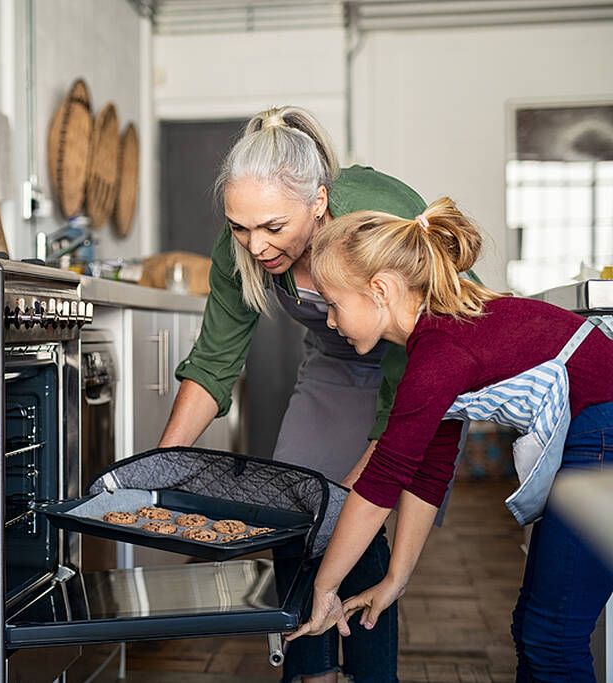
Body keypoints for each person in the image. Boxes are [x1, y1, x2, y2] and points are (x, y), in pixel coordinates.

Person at [159, 105, 433, 682]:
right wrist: (160, 467)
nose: (255, 245)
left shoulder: (371, 213)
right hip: (336, 364)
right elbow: (214, 361)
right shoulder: (241, 247)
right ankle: (310, 673)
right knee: (295, 504)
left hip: (419, 358)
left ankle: (372, 674)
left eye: (273, 228)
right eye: (240, 226)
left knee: (356, 512)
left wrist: (361, 486)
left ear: (319, 202)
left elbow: (429, 337)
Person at [288, 197, 613, 681]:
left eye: (334, 305)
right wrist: (395, 579)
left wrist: (324, 588)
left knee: (552, 638)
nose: (330, 322)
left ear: (380, 289)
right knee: (535, 630)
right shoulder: (435, 339)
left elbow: (380, 485)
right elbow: (430, 471)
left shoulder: (439, 353)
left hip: (603, 433)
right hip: (596, 430)